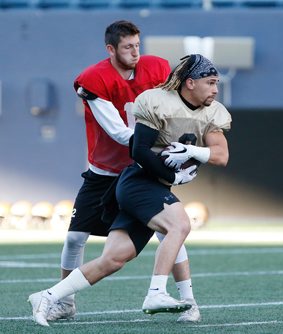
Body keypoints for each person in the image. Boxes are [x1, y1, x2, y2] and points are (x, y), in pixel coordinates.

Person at [28, 54, 231, 327]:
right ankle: (157, 293)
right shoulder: (157, 101)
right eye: (210, 82)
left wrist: (191, 151)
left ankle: (48, 296)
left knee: (113, 259)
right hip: (138, 181)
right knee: (179, 225)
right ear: (190, 83)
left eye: (216, 82)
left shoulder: (212, 111)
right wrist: (173, 174)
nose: (216, 89)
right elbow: (138, 149)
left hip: (154, 186)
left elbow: (221, 155)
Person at [46, 20, 200, 324]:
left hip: (139, 172)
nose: (135, 52)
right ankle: (64, 302)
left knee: (170, 230)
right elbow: (118, 132)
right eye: (128, 47)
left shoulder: (156, 69)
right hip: (104, 172)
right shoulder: (94, 79)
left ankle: (189, 301)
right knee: (75, 238)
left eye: (138, 45)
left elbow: (176, 104)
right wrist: (161, 146)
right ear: (111, 49)